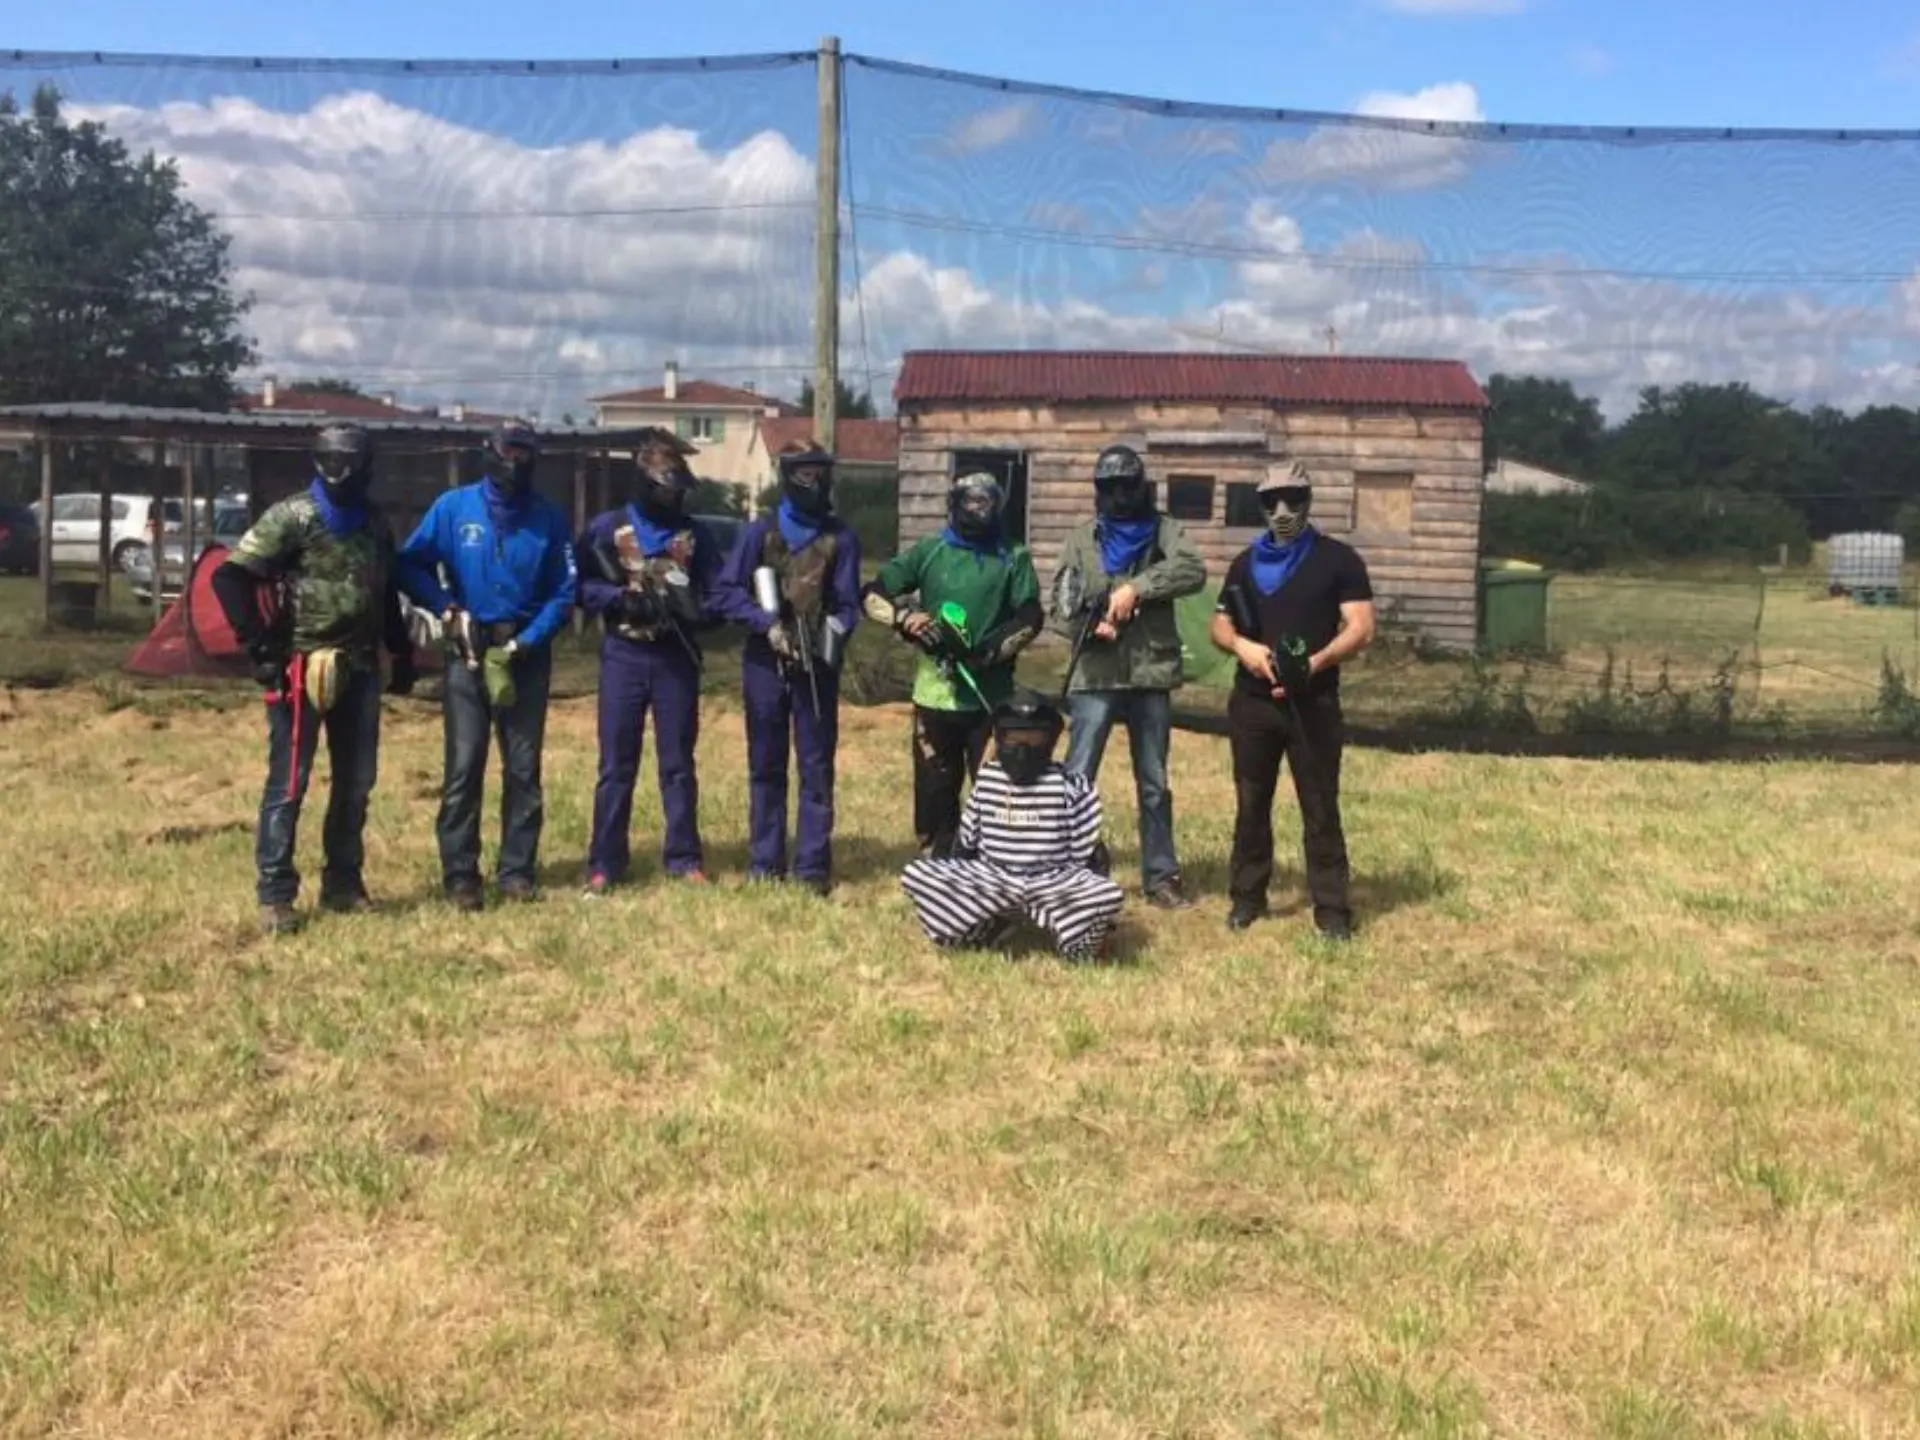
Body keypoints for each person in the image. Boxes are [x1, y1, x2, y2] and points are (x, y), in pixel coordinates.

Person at [210, 422, 416, 935]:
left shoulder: (374, 523)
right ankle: (276, 893)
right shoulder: (294, 516)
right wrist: (259, 647)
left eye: (352, 461)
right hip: (299, 666)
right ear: (320, 462)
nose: (342, 471)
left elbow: (384, 589)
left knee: (357, 781)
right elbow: (230, 576)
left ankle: (343, 882)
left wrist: (400, 651)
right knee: (289, 782)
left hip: (359, 666)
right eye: (334, 460)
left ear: (367, 466)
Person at [395, 421, 578, 910]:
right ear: (490, 453)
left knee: (523, 768)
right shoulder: (453, 508)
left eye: (524, 454)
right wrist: (447, 609)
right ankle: (460, 875)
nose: (515, 462)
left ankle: (516, 871)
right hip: (467, 655)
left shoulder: (548, 518)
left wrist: (528, 641)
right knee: (464, 765)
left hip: (525, 656)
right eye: (508, 452)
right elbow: (408, 564)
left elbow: (564, 591)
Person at [1208, 461, 1376, 940]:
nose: (1282, 510)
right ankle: (1247, 898)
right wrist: (1242, 647)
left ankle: (1332, 909)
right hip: (1253, 702)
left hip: (1313, 703)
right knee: (1251, 803)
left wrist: (1315, 663)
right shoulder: (1244, 563)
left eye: (1293, 499)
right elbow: (1220, 624)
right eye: (1271, 501)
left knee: (1320, 805)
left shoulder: (1338, 560)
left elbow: (1361, 627)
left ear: (1308, 499)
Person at [1045, 443, 1208, 911]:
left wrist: (1137, 588)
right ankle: (1070, 867)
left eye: (1126, 486)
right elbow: (1059, 605)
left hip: (1149, 673)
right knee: (1078, 779)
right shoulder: (1081, 539)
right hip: (1095, 673)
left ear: (1141, 486)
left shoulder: (1165, 531)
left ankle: (1161, 876)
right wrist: (1090, 625)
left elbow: (1193, 570)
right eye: (1110, 487)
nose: (1119, 495)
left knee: (1154, 782)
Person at [862, 472, 1043, 858]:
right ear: (955, 505)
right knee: (935, 791)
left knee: (996, 792)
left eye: (986, 502)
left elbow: (1030, 617)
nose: (979, 510)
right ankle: (938, 866)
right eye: (971, 502)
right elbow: (872, 595)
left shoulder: (1014, 555)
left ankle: (995, 868)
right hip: (935, 694)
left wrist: (990, 652)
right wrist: (905, 620)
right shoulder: (929, 551)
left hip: (991, 696)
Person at [576, 428, 724, 894]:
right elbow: (578, 586)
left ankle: (683, 858)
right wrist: (618, 599)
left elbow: (718, 593)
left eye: (679, 490)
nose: (676, 498)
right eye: (668, 489)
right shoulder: (608, 530)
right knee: (616, 764)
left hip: (674, 656)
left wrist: (696, 611)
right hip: (624, 654)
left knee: (677, 763)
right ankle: (605, 863)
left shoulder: (694, 535)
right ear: (646, 484)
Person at [712, 439, 862, 894]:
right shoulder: (759, 534)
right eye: (806, 473)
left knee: (816, 767)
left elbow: (848, 605)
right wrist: (766, 626)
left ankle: (812, 867)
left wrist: (828, 637)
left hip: (816, 667)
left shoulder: (841, 538)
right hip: (765, 662)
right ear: (789, 476)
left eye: (822, 472)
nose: (816, 482)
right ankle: (766, 862)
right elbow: (725, 592)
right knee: (766, 764)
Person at [899, 690, 1124, 962]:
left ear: (1051, 739)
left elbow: (1086, 853)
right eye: (1014, 738)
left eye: (1033, 739)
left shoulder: (1072, 786)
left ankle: (1076, 945)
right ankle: (987, 924)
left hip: (1052, 883)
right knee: (916, 874)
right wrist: (963, 885)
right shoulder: (987, 780)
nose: (1022, 749)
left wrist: (1075, 892)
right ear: (999, 737)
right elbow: (966, 843)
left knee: (1107, 895)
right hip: (995, 880)